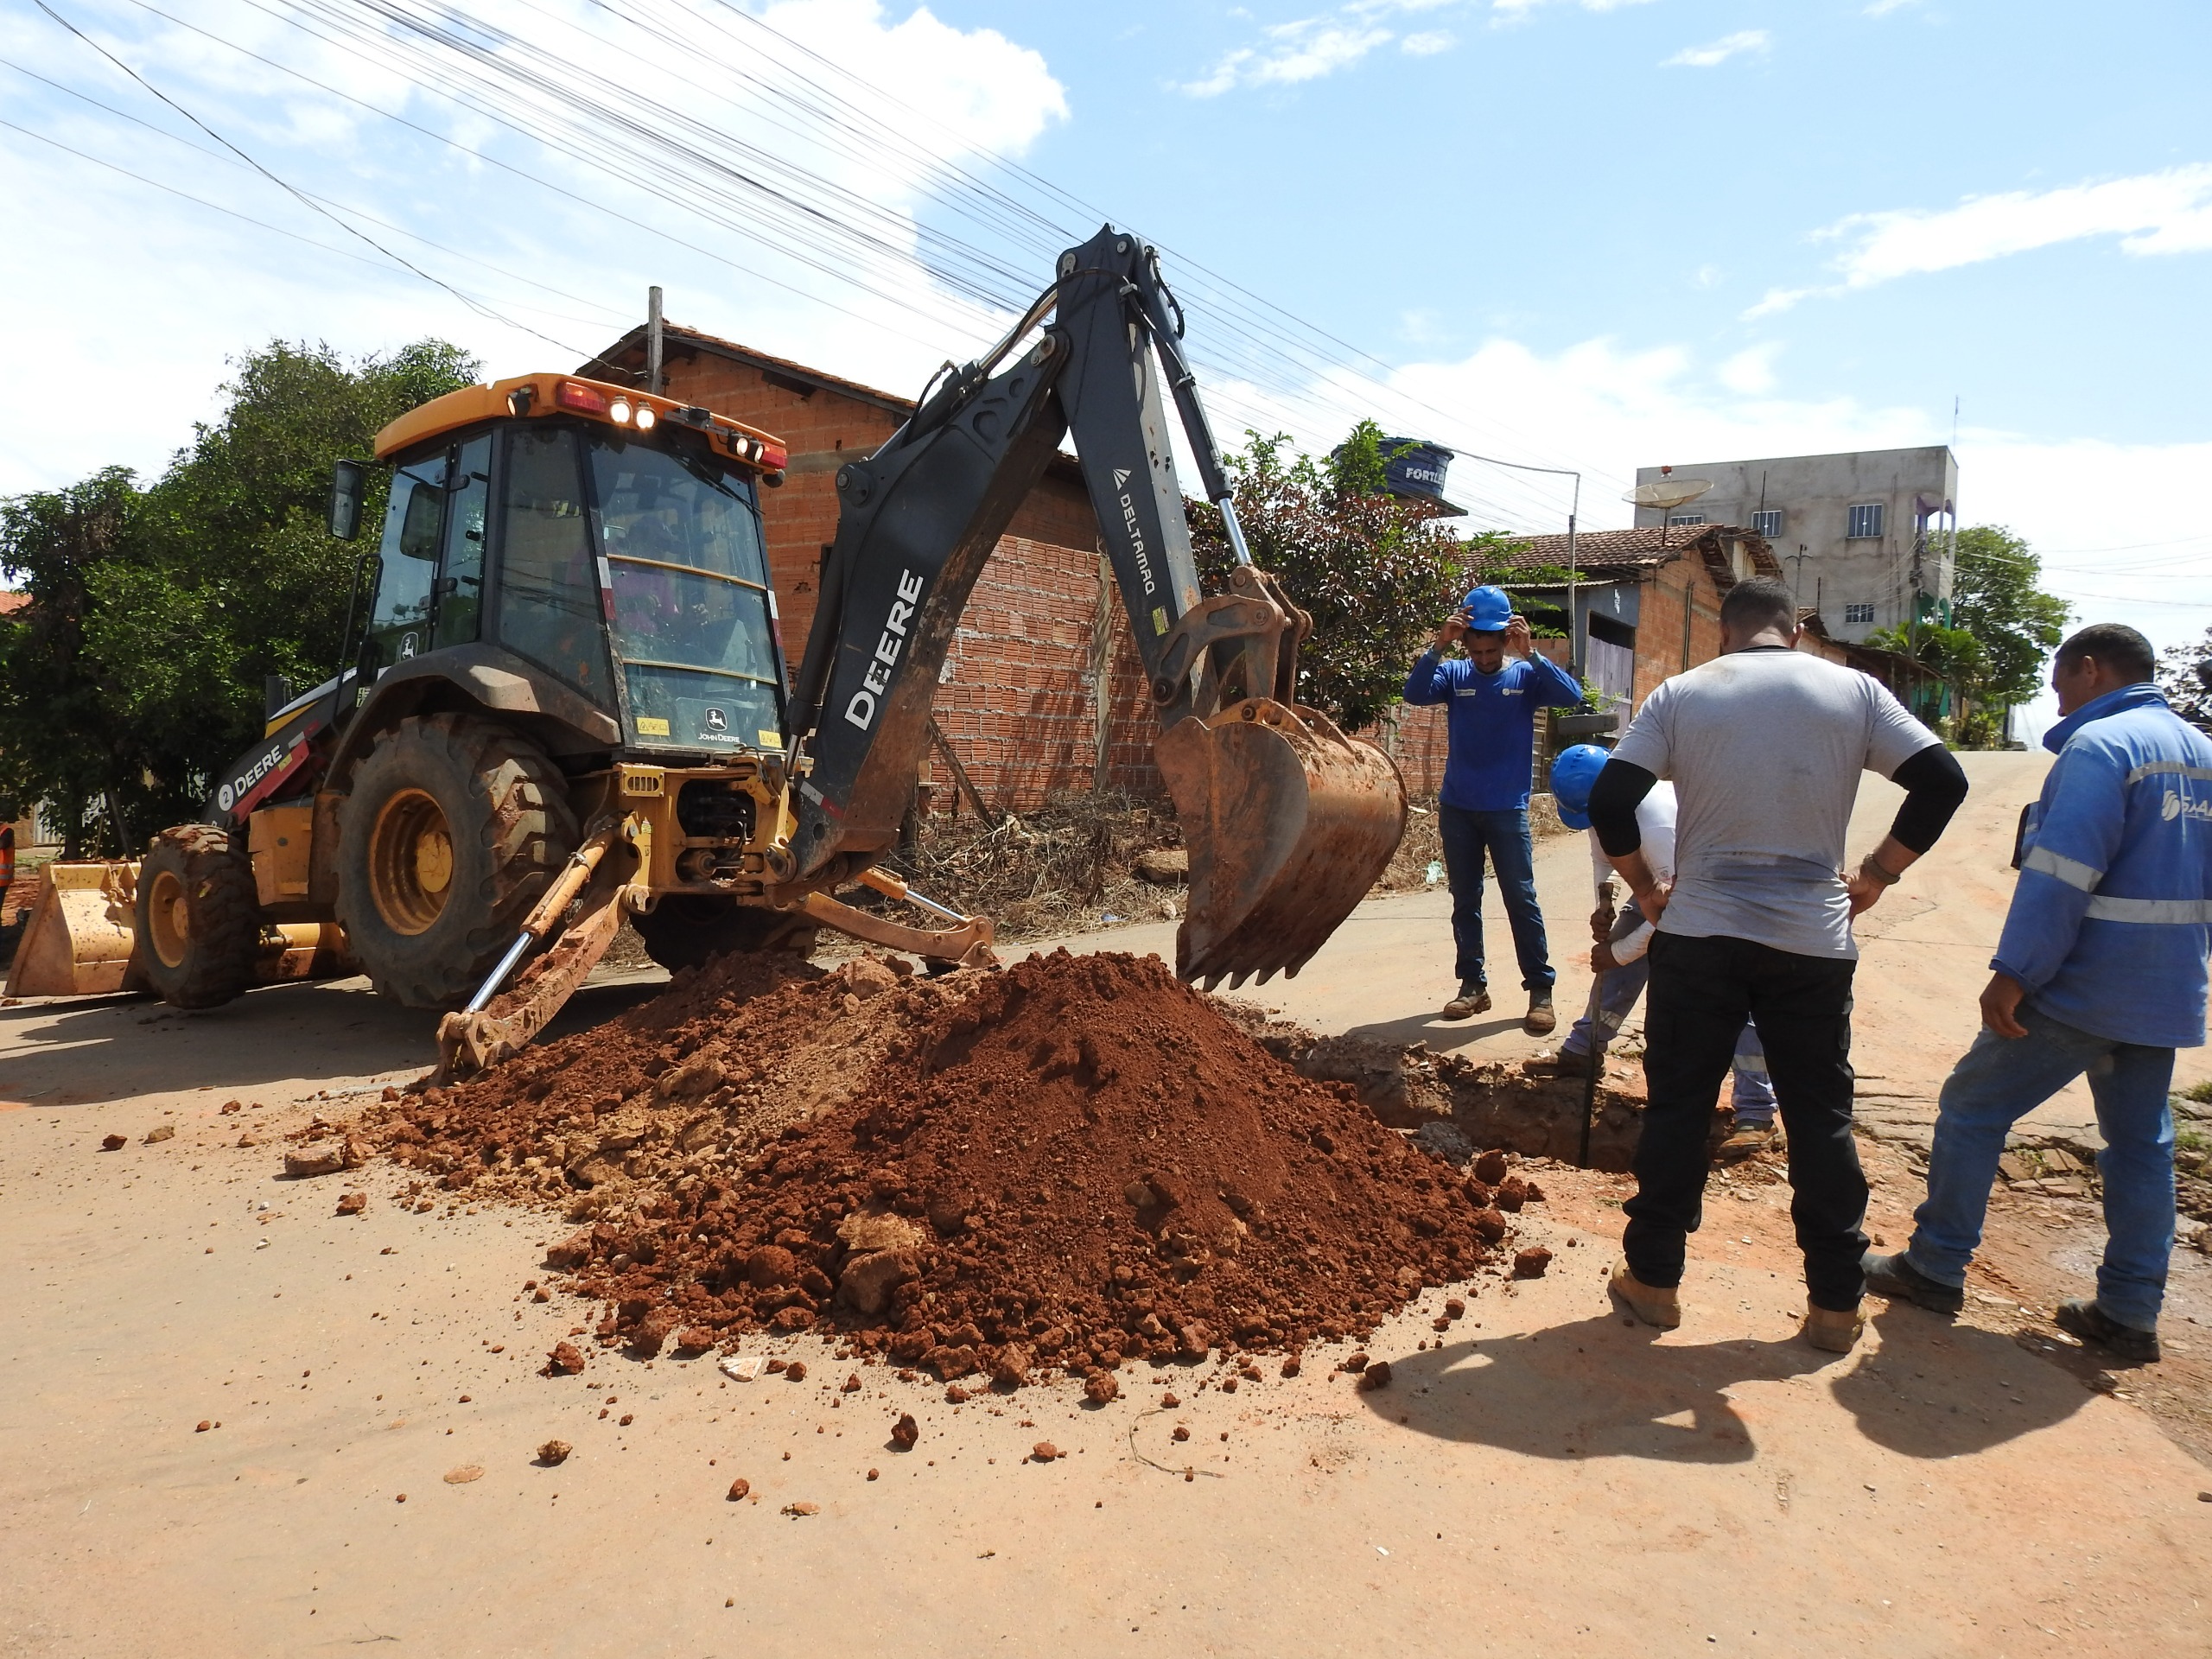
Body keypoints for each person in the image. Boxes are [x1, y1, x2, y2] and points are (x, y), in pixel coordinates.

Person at [1585, 576, 1969, 1352]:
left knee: (1679, 1108)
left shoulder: (1683, 694)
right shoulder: (1856, 692)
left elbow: (1609, 800)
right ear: (1794, 629)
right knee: (1820, 1119)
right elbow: (1942, 780)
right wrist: (1877, 874)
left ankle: (1654, 1283)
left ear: (1725, 633)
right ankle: (1834, 1305)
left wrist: (1644, 890)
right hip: (1812, 940)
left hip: (1700, 935)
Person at [1865, 625, 2207, 1364]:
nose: (2057, 698)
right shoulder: (2203, 752)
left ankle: (1935, 1265)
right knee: (2141, 1144)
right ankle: (2128, 1310)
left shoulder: (2103, 748)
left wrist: (2016, 972)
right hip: (2166, 988)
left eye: (2058, 684)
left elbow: (2061, 873)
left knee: (1972, 1105)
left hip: (2086, 983)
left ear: (2088, 669)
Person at [1542, 744, 1777, 1157]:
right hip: (1667, 888)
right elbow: (1604, 854)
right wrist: (1604, 904)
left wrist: (1620, 952)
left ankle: (1755, 1112)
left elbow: (1672, 913)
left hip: (1725, 896)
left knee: (1733, 993)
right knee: (1619, 953)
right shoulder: (1610, 804)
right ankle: (1583, 1051)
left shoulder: (1658, 826)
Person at [1403, 584, 1585, 1033]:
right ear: (1467, 642)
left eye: (1492, 649)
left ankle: (1540, 991)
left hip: (1506, 809)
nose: (1484, 658)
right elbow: (1414, 693)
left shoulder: (1525, 677)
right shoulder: (1454, 674)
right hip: (1458, 808)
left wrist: (1535, 654)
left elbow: (1571, 697)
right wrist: (1439, 644)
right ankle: (1473, 987)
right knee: (1466, 900)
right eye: (1476, 648)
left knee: (1521, 899)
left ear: (1506, 640)